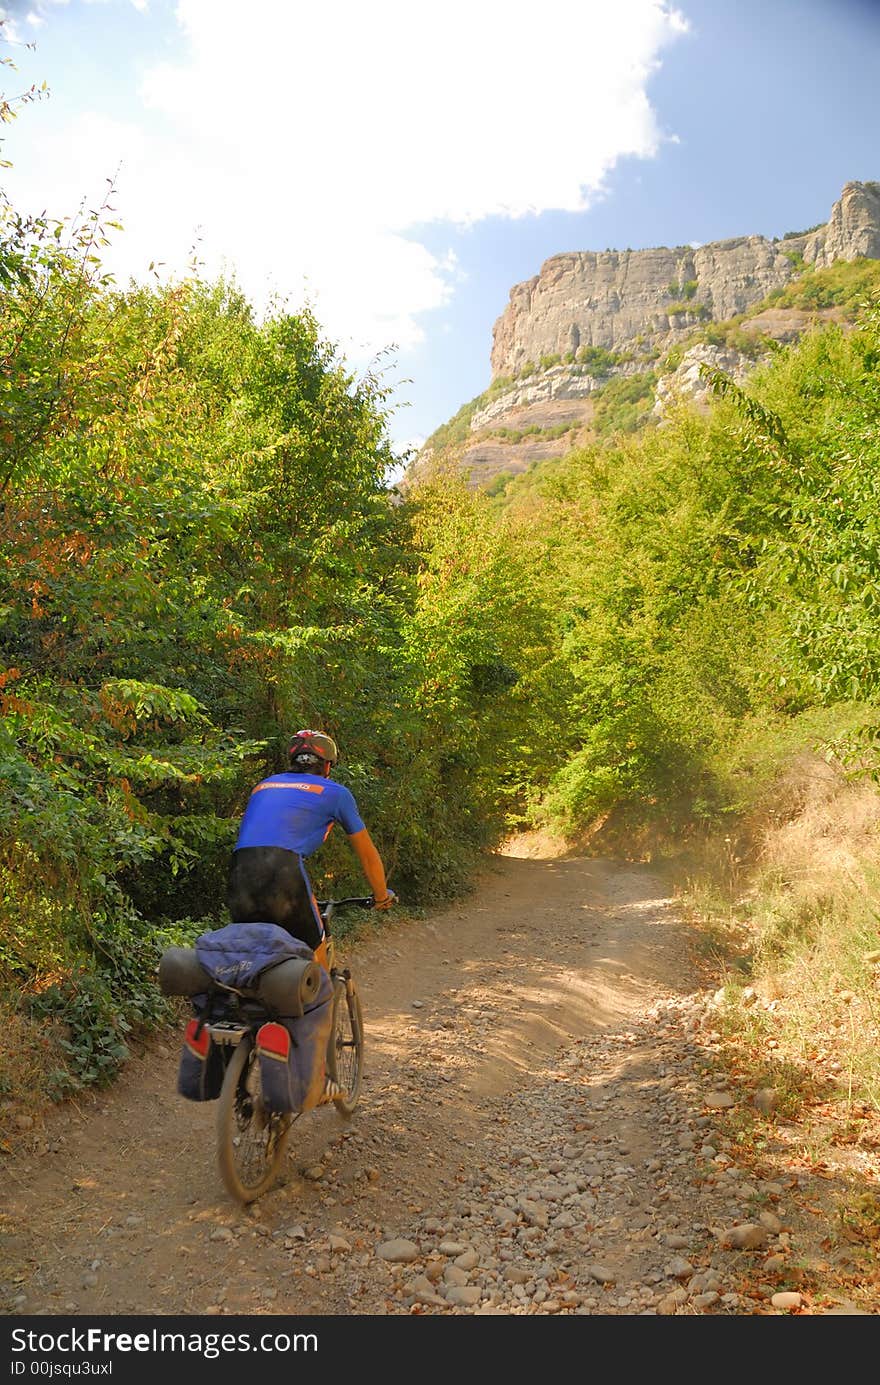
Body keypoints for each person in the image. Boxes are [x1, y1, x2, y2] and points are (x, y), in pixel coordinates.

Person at [227, 729, 396, 971]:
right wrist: (381, 896)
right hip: (284, 871)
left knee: (250, 960)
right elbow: (367, 856)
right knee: (315, 966)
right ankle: (321, 1003)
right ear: (327, 766)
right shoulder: (335, 793)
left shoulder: (263, 786)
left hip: (238, 870)